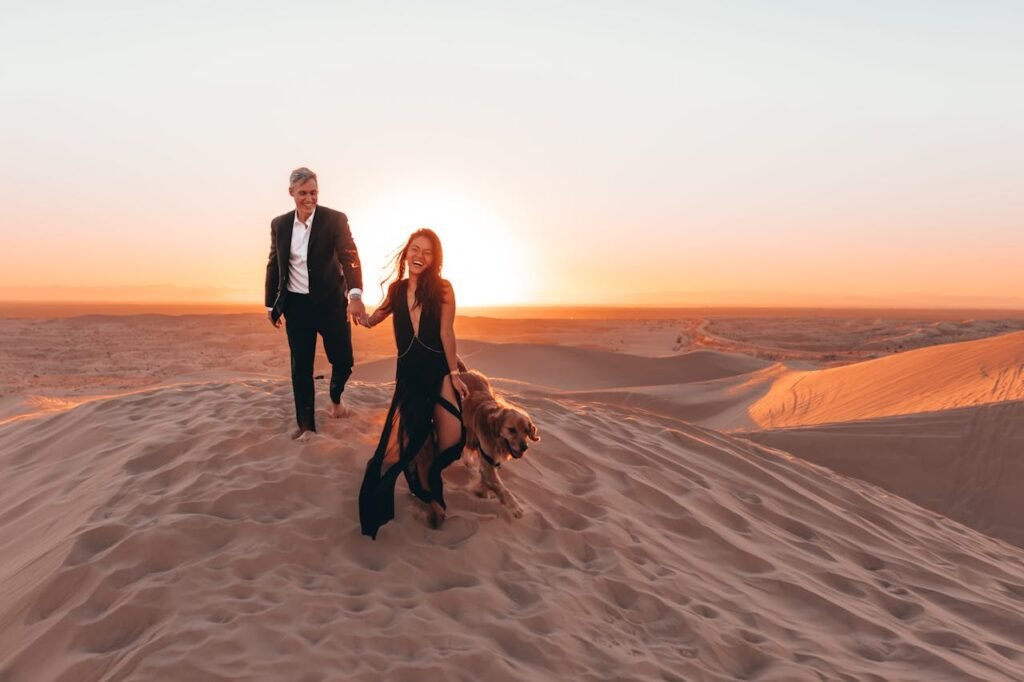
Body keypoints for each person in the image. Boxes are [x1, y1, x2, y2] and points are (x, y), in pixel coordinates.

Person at [358, 228, 469, 539]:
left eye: (427, 252)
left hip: (439, 371)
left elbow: (447, 333)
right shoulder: (396, 291)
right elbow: (370, 320)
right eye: (415, 249)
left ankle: (431, 480)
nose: (420, 255)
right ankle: (428, 497)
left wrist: (455, 374)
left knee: (451, 438)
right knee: (402, 445)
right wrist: (355, 307)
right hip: (409, 376)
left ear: (435, 259)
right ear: (406, 253)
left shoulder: (444, 289)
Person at [265, 167, 366, 442]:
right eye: (303, 193)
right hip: (296, 306)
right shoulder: (280, 224)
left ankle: (335, 397)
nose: (309, 198)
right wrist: (270, 305)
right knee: (301, 368)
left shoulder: (335, 220)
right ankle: (306, 426)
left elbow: (350, 257)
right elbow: (274, 263)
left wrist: (354, 295)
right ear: (291, 193)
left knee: (343, 360)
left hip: (331, 304)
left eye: (313, 193)